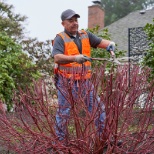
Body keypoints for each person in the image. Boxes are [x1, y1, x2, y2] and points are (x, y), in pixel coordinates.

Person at [52, 9, 115, 141]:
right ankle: (59, 143)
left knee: (98, 109)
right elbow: (57, 58)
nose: (75, 23)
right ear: (63, 23)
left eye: (76, 20)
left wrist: (109, 45)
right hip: (66, 82)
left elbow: (100, 42)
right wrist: (75, 58)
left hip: (84, 81)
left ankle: (103, 139)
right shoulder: (60, 38)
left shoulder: (85, 35)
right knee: (64, 112)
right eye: (71, 21)